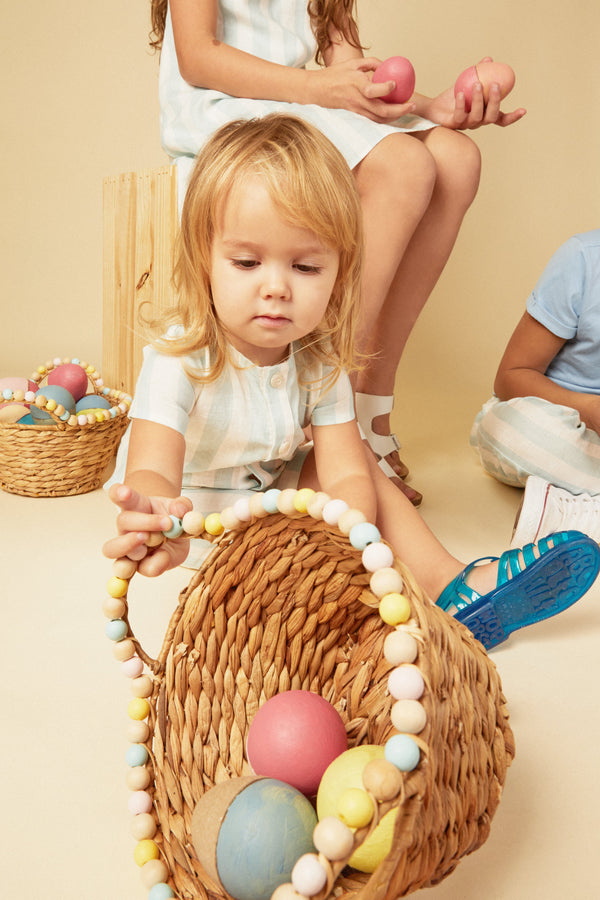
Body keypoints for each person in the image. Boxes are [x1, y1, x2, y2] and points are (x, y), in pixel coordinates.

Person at [103, 116, 599, 651]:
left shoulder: (318, 359)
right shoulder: (181, 358)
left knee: (357, 457)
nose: (276, 288)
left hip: (280, 504)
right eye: (246, 262)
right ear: (205, 259)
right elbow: (153, 466)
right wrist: (156, 513)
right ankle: (324, 587)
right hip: (204, 526)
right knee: (288, 575)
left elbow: (343, 470)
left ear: (341, 271)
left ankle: (451, 581)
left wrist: (347, 537)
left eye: (306, 267)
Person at [147, 0, 527, 505]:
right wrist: (318, 87)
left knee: (457, 158)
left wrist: (432, 108)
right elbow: (198, 56)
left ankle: (369, 410)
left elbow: (351, 77)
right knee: (404, 166)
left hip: (299, 103)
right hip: (223, 105)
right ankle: (328, 404)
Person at [470, 230, 600, 545]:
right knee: (517, 430)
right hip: (556, 421)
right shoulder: (583, 258)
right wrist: (590, 408)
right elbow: (512, 376)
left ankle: (575, 514)